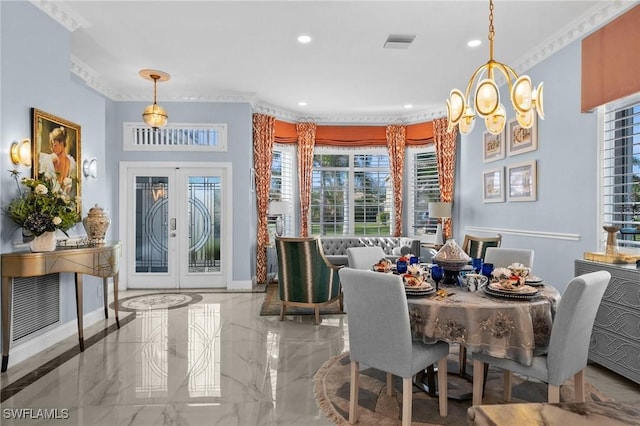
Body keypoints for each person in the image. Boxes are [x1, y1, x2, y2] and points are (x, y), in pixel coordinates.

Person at [39, 126, 76, 194]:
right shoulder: (49, 159)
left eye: (55, 144)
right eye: (52, 144)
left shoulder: (71, 162)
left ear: (62, 142)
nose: (53, 147)